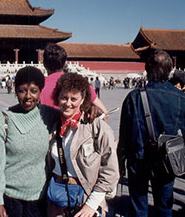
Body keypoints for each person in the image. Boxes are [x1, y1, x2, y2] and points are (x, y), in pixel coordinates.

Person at [0, 66, 59, 217]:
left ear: (40, 91)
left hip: (40, 200)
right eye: (22, 90)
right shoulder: (1, 121)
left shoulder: (50, 115)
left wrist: (90, 109)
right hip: (10, 200)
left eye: (33, 90)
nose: (28, 96)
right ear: (15, 90)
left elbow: (73, 112)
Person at [118, 50, 185, 217]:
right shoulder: (181, 98)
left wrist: (120, 161)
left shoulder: (134, 97)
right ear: (170, 70)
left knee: (138, 207)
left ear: (147, 69)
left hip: (138, 160)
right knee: (164, 206)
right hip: (167, 160)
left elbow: (124, 135)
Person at [47, 72, 119, 217]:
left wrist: (91, 205)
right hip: (56, 199)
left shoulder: (97, 127)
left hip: (86, 200)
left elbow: (110, 171)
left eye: (74, 99)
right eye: (64, 98)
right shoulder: (52, 125)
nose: (68, 103)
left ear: (82, 99)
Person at [40, 43, 109, 120]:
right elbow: (105, 114)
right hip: (74, 129)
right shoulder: (78, 83)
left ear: (44, 64)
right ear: (65, 64)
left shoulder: (37, 87)